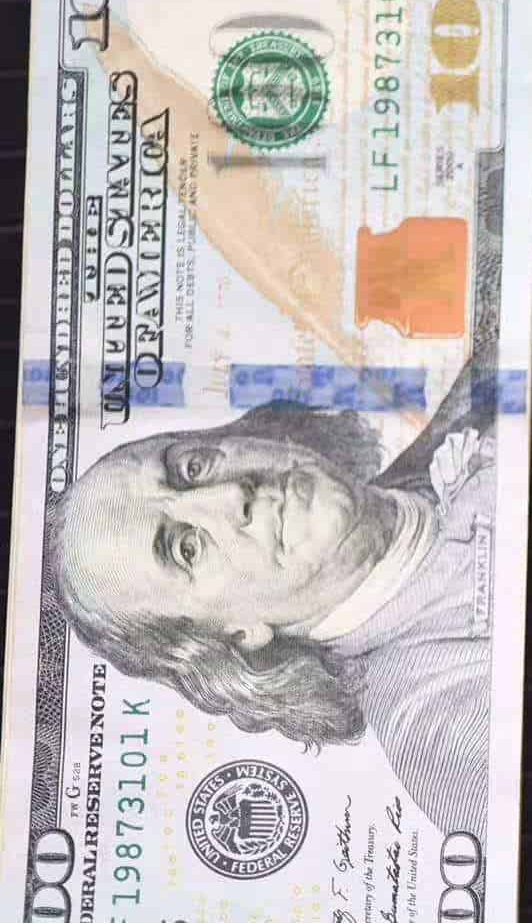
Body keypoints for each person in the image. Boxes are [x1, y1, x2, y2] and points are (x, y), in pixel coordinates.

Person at [47, 359, 498, 841]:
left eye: (190, 468)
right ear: (236, 636)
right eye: (187, 549)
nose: (230, 494)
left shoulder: (464, 413)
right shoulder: (441, 723)